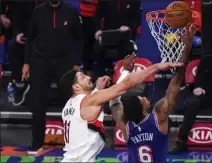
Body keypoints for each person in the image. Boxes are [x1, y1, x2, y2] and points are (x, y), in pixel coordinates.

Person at [60, 54, 183, 162]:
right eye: (82, 77)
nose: (88, 77)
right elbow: (126, 85)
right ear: (76, 87)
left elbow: (96, 102)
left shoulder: (68, 106)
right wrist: (155, 67)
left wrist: (123, 72)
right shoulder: (89, 101)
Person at [109, 24, 197, 163]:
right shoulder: (158, 118)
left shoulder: (126, 126)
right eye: (142, 99)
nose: (144, 97)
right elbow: (175, 85)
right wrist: (187, 47)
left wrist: (125, 72)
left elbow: (113, 99)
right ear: (143, 109)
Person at [22, 0, 84, 154]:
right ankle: (37, 145)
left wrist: (76, 62)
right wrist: (26, 63)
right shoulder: (38, 11)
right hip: (40, 60)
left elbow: (80, 38)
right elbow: (30, 38)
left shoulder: (71, 11)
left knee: (70, 104)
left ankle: (74, 144)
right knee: (37, 104)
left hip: (64, 61)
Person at [170, 31, 212, 156]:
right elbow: (200, 72)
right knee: (193, 102)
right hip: (208, 92)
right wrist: (198, 87)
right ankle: (181, 141)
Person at [8, 0, 43, 106]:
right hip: (27, 35)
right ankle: (20, 85)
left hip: (44, 36)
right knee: (13, 47)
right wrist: (18, 33)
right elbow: (16, 17)